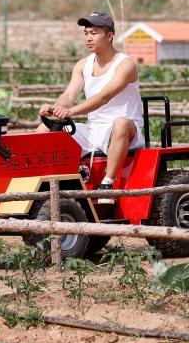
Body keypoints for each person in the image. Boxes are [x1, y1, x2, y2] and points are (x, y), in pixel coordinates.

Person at [39, 11, 144, 202]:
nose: (88, 37)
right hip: (94, 130)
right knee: (45, 127)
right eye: (86, 33)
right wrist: (55, 108)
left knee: (119, 123)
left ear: (110, 35)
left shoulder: (126, 64)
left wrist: (71, 111)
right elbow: (70, 95)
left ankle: (108, 182)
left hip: (125, 131)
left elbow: (104, 97)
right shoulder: (82, 65)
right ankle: (41, 181)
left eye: (94, 33)